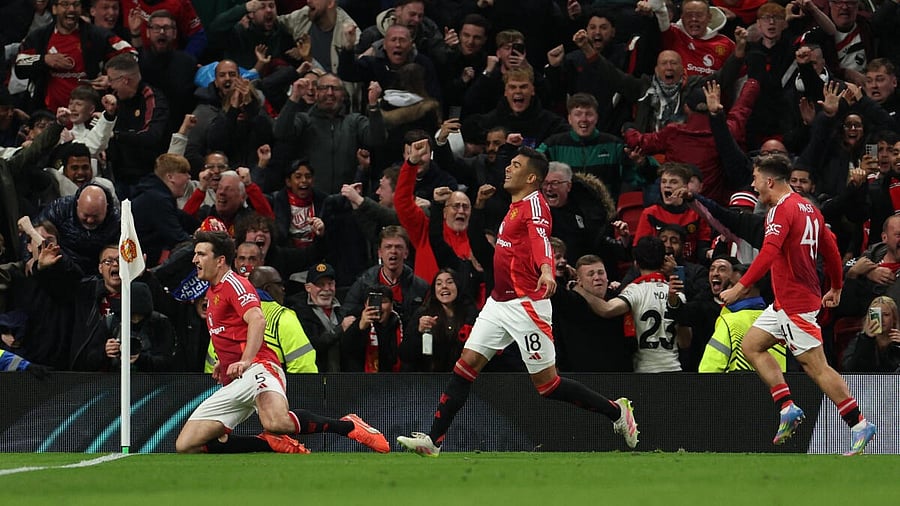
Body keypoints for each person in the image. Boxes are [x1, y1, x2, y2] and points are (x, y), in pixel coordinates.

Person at [397, 143, 638, 457]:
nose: (508, 169)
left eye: (516, 165)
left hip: (527, 305)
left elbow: (541, 241)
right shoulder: (514, 205)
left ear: (531, 178)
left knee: (548, 386)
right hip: (498, 303)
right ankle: (433, 441)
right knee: (465, 368)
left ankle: (616, 411)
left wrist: (547, 270)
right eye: (509, 163)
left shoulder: (535, 207)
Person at [174, 231, 390, 454]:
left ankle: (348, 426)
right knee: (187, 445)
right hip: (235, 379)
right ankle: (268, 443)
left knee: (277, 422)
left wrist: (246, 360)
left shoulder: (235, 284)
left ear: (220, 260)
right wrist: (225, 360)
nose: (195, 260)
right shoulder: (212, 291)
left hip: (258, 367)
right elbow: (231, 332)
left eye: (201, 254)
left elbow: (257, 320)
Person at [718, 154, 877, 456]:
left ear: (769, 181)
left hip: (796, 303)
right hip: (786, 302)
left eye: (755, 179)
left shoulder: (780, 211)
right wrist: (836, 286)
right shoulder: (810, 209)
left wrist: (739, 287)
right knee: (752, 345)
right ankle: (787, 406)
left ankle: (859, 423)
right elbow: (830, 248)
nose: (753, 185)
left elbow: (768, 252)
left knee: (817, 367)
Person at [575, 236, 684, 373]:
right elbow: (685, 342)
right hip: (675, 370)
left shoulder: (635, 291)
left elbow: (607, 309)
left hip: (645, 371)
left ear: (636, 263)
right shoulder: (678, 294)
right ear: (664, 261)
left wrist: (578, 289)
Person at [698, 263, 785, 373]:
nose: (726, 289)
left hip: (738, 384)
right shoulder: (779, 320)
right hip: (779, 382)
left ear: (746, 288)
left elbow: (710, 369)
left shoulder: (729, 322)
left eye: (732, 285)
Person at [400, 268, 476, 372]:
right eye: (439, 283)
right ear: (434, 290)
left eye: (449, 282)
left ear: (458, 286)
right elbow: (405, 355)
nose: (444, 286)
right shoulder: (423, 314)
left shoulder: (471, 315)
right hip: (431, 377)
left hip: (462, 375)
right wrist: (418, 331)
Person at [841, 295, 900, 373]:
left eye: (886, 315)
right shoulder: (860, 340)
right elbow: (850, 369)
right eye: (877, 315)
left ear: (894, 318)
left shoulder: (898, 342)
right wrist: (867, 340)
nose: (881, 319)